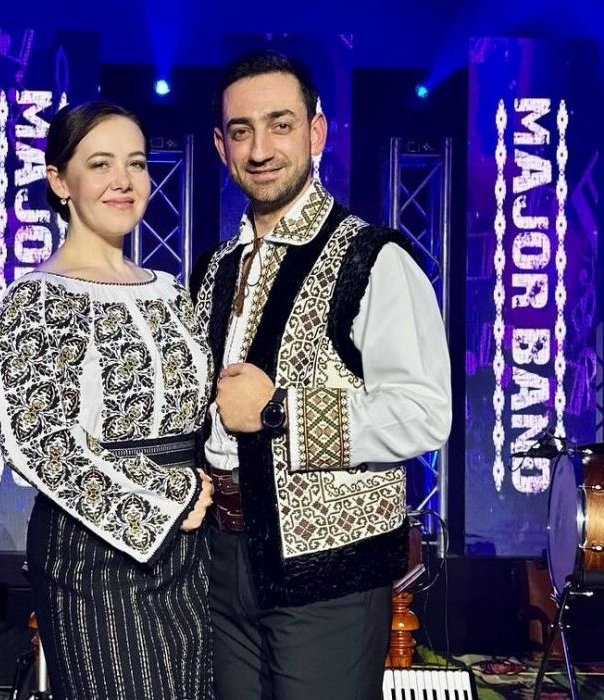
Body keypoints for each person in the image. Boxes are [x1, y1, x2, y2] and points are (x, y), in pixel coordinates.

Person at [190, 50, 453, 700]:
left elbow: (424, 414)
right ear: (222, 147)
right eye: (242, 131)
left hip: (329, 578)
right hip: (220, 567)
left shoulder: (373, 258)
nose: (260, 150)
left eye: (280, 125)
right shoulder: (215, 268)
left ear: (316, 131)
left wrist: (280, 412)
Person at [0, 100, 215, 700]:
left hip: (196, 551)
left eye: (136, 163)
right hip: (94, 556)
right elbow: (39, 443)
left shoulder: (170, 291)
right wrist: (173, 495)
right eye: (100, 164)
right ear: (59, 181)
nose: (124, 180)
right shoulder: (37, 298)